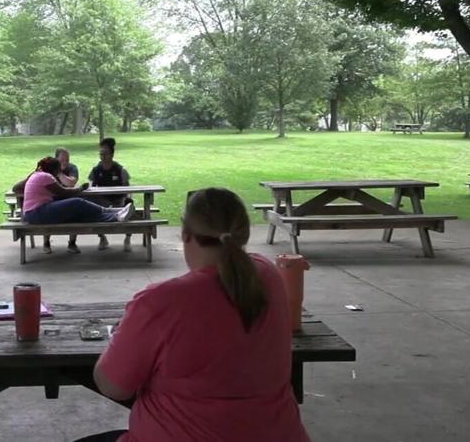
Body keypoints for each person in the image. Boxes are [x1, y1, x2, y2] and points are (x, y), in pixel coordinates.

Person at [87, 188, 309, 442]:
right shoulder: (268, 275)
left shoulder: (159, 302)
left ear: (186, 234)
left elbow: (112, 386)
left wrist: (121, 336)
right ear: (244, 233)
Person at [12, 156, 134, 227]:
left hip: (34, 213)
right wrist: (80, 189)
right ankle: (113, 214)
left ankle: (114, 214)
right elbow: (63, 192)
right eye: (58, 170)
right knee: (76, 202)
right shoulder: (45, 176)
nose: (59, 173)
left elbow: (16, 188)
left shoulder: (37, 175)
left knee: (78, 214)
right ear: (54, 169)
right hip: (37, 213)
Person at [88, 138, 133, 251]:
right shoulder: (96, 170)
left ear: (112, 155)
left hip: (119, 199)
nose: (103, 156)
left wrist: (128, 200)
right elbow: (91, 187)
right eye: (101, 154)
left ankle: (128, 238)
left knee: (129, 209)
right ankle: (102, 238)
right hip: (103, 200)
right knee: (92, 211)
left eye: (105, 154)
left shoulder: (120, 170)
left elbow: (128, 189)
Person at [44, 147, 81, 254]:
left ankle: (72, 243)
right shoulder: (49, 168)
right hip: (52, 198)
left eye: (67, 160)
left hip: (68, 197)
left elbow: (71, 183)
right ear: (56, 159)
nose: (65, 162)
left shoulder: (72, 168)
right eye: (62, 160)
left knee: (76, 212)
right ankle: (46, 243)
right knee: (47, 212)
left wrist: (59, 173)